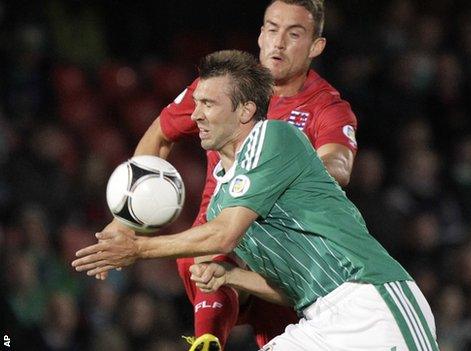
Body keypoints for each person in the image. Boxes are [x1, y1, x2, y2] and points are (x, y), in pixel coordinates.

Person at [74, 49, 439, 351]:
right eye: (196, 103)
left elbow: (222, 236)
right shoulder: (222, 201)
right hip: (322, 317)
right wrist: (232, 275)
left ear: (246, 111)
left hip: (374, 303)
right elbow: (293, 288)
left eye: (208, 104)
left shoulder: (274, 138)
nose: (196, 114)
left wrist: (136, 248)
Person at [96, 0, 358, 348]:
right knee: (200, 253)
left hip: (290, 251)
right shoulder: (222, 87)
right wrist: (128, 216)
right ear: (260, 34)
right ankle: (207, 340)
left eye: (294, 34)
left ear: (316, 46)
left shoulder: (326, 106)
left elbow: (338, 166)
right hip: (224, 233)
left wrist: (286, 175)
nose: (278, 42)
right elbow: (159, 136)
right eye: (271, 29)